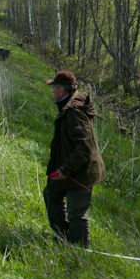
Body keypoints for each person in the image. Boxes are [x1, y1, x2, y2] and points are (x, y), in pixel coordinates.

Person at [44, 70, 105, 247]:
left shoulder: (74, 112)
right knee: (51, 193)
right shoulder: (69, 105)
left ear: (62, 90)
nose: (52, 91)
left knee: (77, 213)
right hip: (73, 167)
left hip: (82, 171)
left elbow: (84, 148)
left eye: (54, 88)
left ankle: (79, 249)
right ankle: (65, 235)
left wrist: (64, 170)